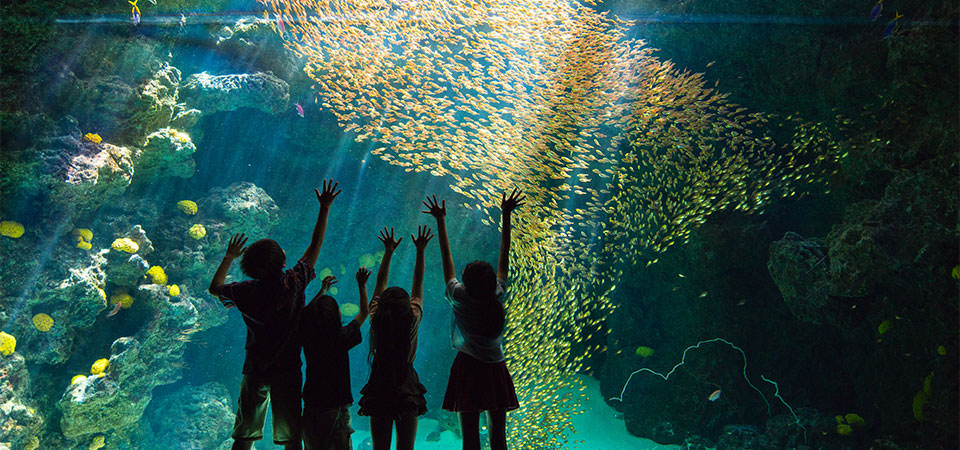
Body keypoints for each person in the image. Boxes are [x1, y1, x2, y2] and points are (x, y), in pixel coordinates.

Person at [209, 180, 341, 450]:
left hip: (255, 369)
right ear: (282, 261)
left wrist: (229, 257)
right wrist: (324, 208)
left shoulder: (245, 292)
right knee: (291, 437)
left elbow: (215, 288)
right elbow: (315, 246)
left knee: (244, 435)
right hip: (287, 371)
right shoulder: (293, 283)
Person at [422, 189, 524, 450]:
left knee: (470, 439)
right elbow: (505, 257)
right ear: (492, 284)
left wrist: (441, 221)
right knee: (498, 437)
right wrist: (506, 215)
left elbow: (447, 261)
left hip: (468, 369)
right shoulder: (497, 295)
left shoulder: (459, 297)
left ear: (465, 283)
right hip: (495, 368)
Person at [358, 226, 433, 450]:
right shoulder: (413, 320)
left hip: (379, 385)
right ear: (408, 308)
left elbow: (378, 289)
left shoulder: (375, 319)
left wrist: (388, 252)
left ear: (380, 307)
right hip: (406, 386)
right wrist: (420, 251)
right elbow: (418, 289)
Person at [300, 266, 371, 450]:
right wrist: (362, 285)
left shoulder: (308, 337)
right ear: (337, 316)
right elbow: (364, 312)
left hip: (313, 405)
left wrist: (321, 292)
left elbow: (305, 316)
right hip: (338, 406)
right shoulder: (341, 337)